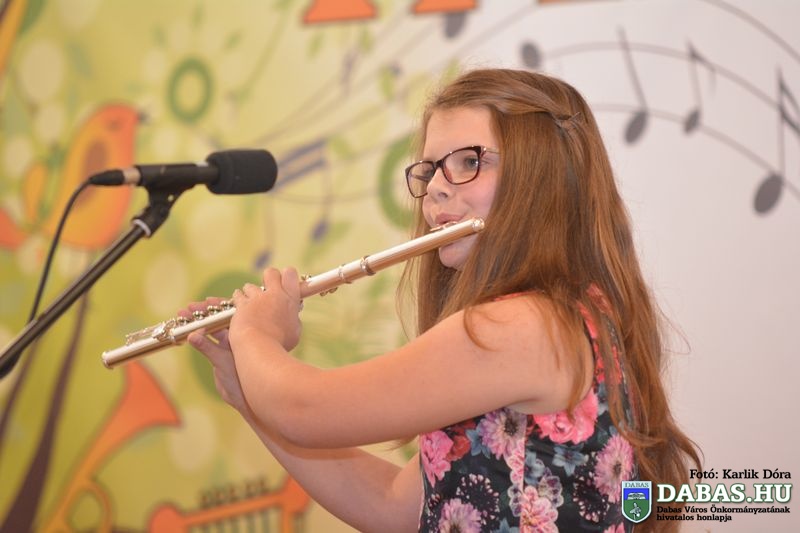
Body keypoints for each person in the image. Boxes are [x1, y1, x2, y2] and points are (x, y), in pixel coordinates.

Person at [185, 68, 701, 532]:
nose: (435, 188)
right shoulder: (563, 319)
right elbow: (394, 506)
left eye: (469, 161)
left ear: (540, 178)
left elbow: (304, 409)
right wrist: (248, 393)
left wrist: (257, 334)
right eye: (430, 169)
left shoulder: (523, 326)